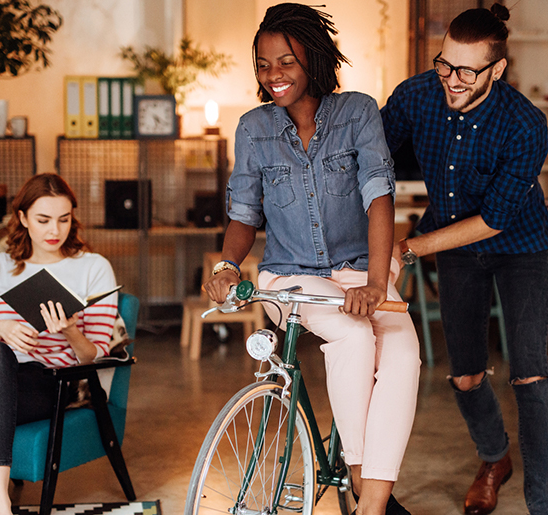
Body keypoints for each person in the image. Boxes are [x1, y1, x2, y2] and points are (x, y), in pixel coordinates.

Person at [202, 4, 420, 515]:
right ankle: (373, 501)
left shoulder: (359, 113)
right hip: (290, 280)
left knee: (404, 354)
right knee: (352, 333)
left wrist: (373, 281)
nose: (272, 74)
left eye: (286, 61)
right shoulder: (253, 129)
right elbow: (242, 215)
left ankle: (370, 503)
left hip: (361, 270)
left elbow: (379, 199)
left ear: (313, 60)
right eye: (262, 63)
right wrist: (226, 267)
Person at [380, 4, 548, 515]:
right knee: (466, 375)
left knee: (530, 377)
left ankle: (546, 508)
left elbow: (495, 220)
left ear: (497, 69)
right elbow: (371, 161)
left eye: (466, 70)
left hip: (519, 247)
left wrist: (409, 246)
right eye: (445, 64)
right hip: (455, 248)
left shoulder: (525, 124)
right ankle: (494, 458)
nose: (451, 79)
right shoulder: (417, 95)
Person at [0, 174, 118, 515]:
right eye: (43, 220)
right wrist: (1, 328)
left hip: (48, 381)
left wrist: (69, 331)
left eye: (64, 220)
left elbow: (96, 354)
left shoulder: (93, 268)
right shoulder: (0, 267)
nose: (55, 230)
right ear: (22, 218)